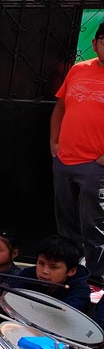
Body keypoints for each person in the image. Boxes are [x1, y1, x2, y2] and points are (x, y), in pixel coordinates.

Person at [51, 21, 104, 281]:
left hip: (96, 166)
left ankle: (96, 279)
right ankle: (71, 273)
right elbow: (60, 107)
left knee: (95, 225)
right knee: (66, 222)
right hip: (65, 159)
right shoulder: (78, 70)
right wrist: (54, 143)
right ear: (94, 44)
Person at [8, 234, 90, 311]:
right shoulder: (28, 274)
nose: (44, 271)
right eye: (41, 263)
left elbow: (64, 314)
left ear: (71, 271)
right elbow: (10, 297)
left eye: (53, 267)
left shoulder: (80, 289)